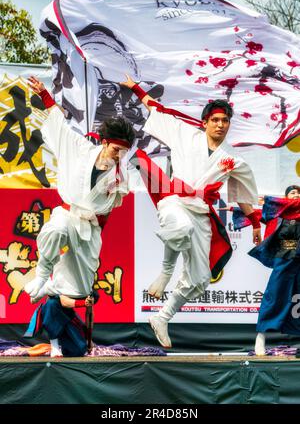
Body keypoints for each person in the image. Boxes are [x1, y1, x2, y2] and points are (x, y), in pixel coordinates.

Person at [120, 75, 261, 348]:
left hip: (201, 213)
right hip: (174, 201)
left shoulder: (235, 159)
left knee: (199, 278)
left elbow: (244, 193)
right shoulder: (186, 133)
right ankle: (165, 271)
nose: (220, 125)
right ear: (205, 122)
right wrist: (137, 89)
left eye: (225, 121)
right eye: (216, 120)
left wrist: (255, 222)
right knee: (179, 227)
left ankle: (162, 317)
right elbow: (156, 109)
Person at [24, 76, 135, 356]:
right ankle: (42, 274)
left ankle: (69, 328)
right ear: (105, 142)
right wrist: (46, 96)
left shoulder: (121, 176)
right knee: (54, 229)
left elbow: (108, 212)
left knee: (80, 290)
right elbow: (60, 127)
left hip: (90, 228)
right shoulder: (80, 149)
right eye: (115, 149)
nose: (119, 155)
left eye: (124, 151)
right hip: (68, 212)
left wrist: (95, 227)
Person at [248, 185, 300, 355]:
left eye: (298, 192)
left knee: (298, 299)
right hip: (284, 258)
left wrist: (271, 201)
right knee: (274, 295)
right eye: (292, 192)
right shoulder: (278, 214)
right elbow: (256, 214)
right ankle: (261, 337)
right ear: (285, 197)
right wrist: (238, 209)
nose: (296, 195)